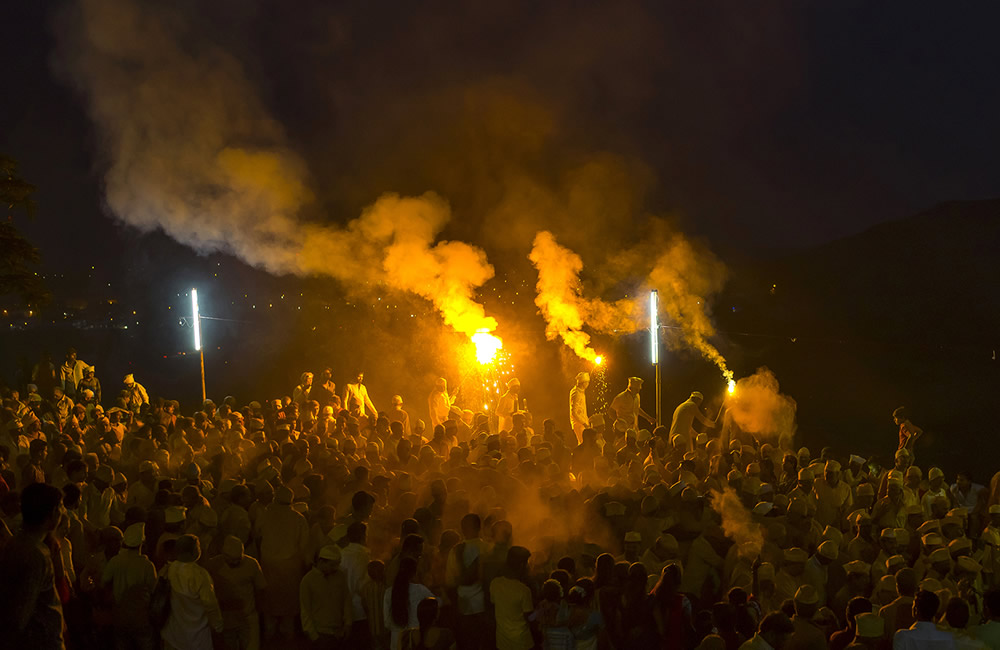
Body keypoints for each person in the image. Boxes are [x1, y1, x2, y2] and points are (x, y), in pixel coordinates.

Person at [0, 482, 66, 649]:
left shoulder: (16, 543)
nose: (63, 512)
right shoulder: (36, 555)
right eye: (60, 507)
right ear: (52, 513)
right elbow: (20, 613)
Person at [161, 534, 224, 650]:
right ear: (193, 551)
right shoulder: (200, 575)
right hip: (197, 638)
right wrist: (218, 626)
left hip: (173, 635)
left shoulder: (168, 570)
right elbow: (211, 605)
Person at [205, 536, 266, 650]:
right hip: (226, 618)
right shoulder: (213, 565)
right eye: (232, 559)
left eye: (239, 559)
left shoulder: (252, 564)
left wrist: (258, 611)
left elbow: (260, 589)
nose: (235, 562)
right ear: (224, 554)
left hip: (248, 617)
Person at [300, 545, 353, 648]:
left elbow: (346, 600)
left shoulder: (340, 576)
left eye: (337, 565)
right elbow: (305, 610)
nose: (335, 568)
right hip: (320, 634)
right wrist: (314, 636)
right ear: (321, 562)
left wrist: (348, 623)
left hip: (339, 633)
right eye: (332, 565)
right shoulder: (308, 581)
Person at [384, 556, 434, 650]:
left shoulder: (389, 592)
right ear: (414, 573)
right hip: (415, 639)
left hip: (396, 642)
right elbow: (435, 604)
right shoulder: (420, 590)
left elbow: (387, 623)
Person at [491, 546, 534, 650]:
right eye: (527, 563)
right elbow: (529, 618)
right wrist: (541, 610)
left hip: (502, 642)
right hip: (522, 642)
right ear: (521, 565)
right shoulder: (523, 590)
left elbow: (494, 605)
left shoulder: (495, 583)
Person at [570, 372, 590, 443]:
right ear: (583, 383)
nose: (588, 384)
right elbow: (574, 412)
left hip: (581, 423)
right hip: (579, 424)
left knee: (583, 443)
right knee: (583, 443)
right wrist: (584, 423)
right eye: (587, 382)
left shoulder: (580, 392)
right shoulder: (576, 393)